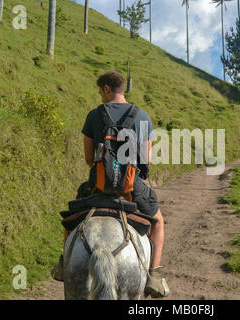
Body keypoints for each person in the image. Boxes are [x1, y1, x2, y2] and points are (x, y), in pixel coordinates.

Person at [52, 71, 169, 298]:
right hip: (131, 187)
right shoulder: (143, 117)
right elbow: (146, 160)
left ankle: (65, 264)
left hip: (97, 186)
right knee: (158, 222)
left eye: (100, 91)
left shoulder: (94, 115)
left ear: (107, 89)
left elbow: (88, 158)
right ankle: (154, 274)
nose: (100, 96)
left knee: (70, 218)